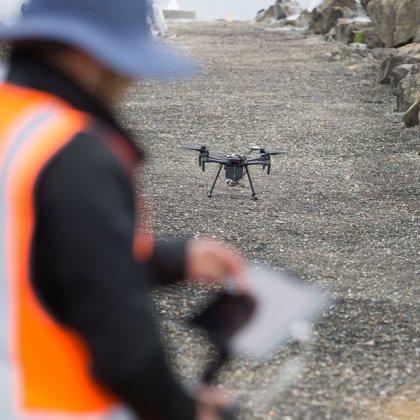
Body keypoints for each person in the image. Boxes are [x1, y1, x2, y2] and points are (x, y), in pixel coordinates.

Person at [0, 0, 247, 419]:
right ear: (86, 53)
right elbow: (124, 348)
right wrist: (185, 410)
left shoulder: (14, 122)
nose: (130, 79)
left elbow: (36, 253)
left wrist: (173, 258)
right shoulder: (70, 153)